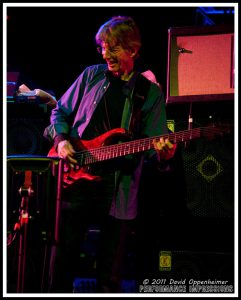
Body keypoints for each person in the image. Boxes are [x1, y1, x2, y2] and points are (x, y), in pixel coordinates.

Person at [44, 15, 177, 293]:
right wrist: (61, 142)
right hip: (74, 180)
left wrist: (164, 156)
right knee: (62, 265)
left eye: (112, 48)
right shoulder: (91, 75)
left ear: (133, 50)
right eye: (102, 47)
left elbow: (154, 150)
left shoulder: (149, 93)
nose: (105, 54)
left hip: (118, 191)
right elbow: (60, 112)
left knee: (110, 276)